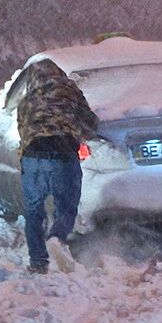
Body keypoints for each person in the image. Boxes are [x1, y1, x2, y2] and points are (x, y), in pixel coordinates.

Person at [17, 59, 99, 274]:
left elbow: (23, 132)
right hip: (62, 154)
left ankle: (38, 262)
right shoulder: (69, 91)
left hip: (32, 156)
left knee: (34, 212)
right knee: (66, 208)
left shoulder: (27, 100)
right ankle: (56, 237)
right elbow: (89, 125)